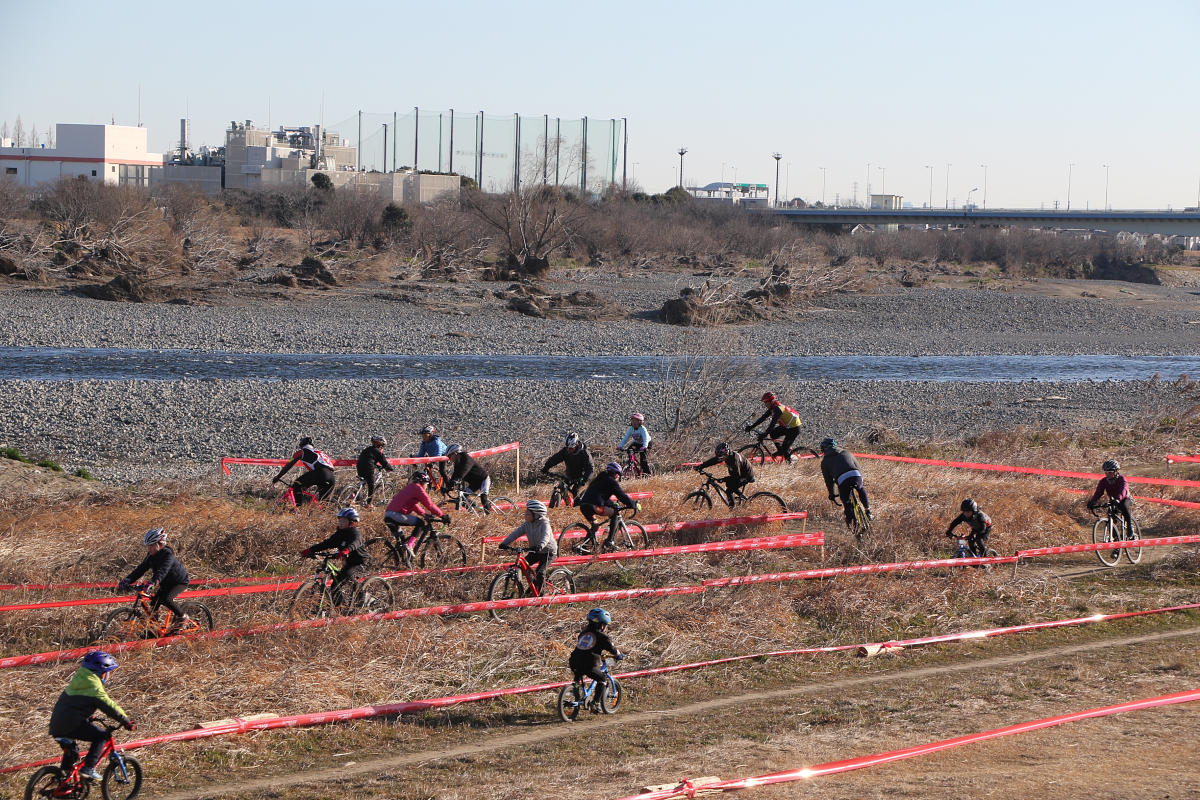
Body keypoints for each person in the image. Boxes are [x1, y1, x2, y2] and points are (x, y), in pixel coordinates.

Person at [48, 651, 134, 782]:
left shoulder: (78, 680)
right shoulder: (94, 687)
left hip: (56, 725)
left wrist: (87, 718)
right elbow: (109, 706)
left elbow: (74, 706)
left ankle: (63, 780)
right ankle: (88, 768)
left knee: (72, 752)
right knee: (102, 736)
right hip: (72, 724)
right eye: (109, 672)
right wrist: (126, 720)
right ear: (103, 673)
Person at [118, 527, 191, 632]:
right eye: (148, 546)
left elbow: (162, 571)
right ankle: (155, 631)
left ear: (160, 544)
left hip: (179, 582)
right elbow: (140, 569)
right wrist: (128, 579)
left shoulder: (168, 555)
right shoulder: (151, 556)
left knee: (167, 599)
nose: (149, 549)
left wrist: (153, 582)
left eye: (152, 546)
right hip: (165, 582)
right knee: (154, 603)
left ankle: (183, 616)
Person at [299, 508, 371, 605]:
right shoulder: (339, 534)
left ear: (351, 522)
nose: (340, 523)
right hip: (350, 563)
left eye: (344, 521)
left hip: (362, 562)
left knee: (349, 574)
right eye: (340, 520)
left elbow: (355, 543)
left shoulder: (355, 532)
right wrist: (311, 550)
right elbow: (327, 543)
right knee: (335, 585)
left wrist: (346, 550)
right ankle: (340, 609)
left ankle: (364, 595)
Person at [568, 608, 625, 712]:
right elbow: (612, 649)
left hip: (574, 661)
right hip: (589, 664)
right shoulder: (603, 637)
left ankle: (573, 690)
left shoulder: (583, 633)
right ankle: (595, 703)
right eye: (605, 625)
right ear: (602, 625)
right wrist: (619, 655)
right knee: (602, 679)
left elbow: (588, 647)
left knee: (578, 675)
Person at [575, 461, 640, 553]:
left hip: (584, 505)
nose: (618, 476)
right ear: (614, 473)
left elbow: (600, 496)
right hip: (595, 506)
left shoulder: (599, 477)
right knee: (615, 514)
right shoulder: (611, 481)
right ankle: (610, 541)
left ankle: (584, 547)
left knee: (595, 525)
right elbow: (621, 495)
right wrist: (633, 504)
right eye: (618, 474)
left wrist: (612, 504)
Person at [383, 472, 450, 558]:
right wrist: (442, 515)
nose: (426, 486)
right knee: (421, 523)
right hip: (396, 515)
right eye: (426, 484)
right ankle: (410, 545)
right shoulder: (419, 489)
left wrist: (423, 513)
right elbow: (430, 505)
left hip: (389, 514)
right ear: (423, 483)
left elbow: (412, 504)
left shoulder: (410, 487)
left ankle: (401, 563)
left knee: (402, 542)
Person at [497, 499, 557, 592]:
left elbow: (546, 536)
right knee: (521, 567)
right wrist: (504, 543)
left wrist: (540, 545)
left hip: (547, 552)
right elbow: (516, 533)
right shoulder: (527, 524)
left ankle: (540, 596)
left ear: (536, 515)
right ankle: (531, 587)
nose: (525, 515)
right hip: (535, 551)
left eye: (528, 514)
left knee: (540, 572)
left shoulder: (544, 524)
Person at [819, 438, 872, 526]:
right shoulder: (846, 452)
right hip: (856, 474)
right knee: (860, 488)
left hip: (843, 479)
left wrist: (832, 494)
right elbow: (857, 466)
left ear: (824, 449)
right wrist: (860, 480)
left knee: (847, 503)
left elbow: (828, 481)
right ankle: (868, 510)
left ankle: (852, 522)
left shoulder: (825, 461)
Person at [272, 436, 336, 502]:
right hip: (331, 477)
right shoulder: (320, 452)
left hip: (320, 473)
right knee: (322, 501)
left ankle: (298, 509)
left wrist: (278, 477)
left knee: (297, 484)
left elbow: (288, 465)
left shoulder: (301, 452)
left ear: (301, 445)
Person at [746, 392, 802, 462]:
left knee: (785, 448)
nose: (765, 404)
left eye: (766, 402)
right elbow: (763, 418)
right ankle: (781, 451)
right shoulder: (773, 407)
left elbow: (773, 423)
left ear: (771, 401)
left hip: (794, 427)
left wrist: (765, 434)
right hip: (788, 426)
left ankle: (790, 462)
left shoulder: (777, 409)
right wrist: (751, 426)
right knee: (773, 433)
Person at [1087, 459, 1136, 535]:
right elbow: (1099, 492)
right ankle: (1114, 536)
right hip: (1113, 500)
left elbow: (1123, 490)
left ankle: (1130, 526)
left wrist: (1118, 499)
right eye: (1106, 472)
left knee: (1124, 507)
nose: (1107, 474)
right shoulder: (1103, 481)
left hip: (1125, 498)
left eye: (1110, 472)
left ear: (1116, 471)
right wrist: (1093, 501)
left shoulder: (1121, 479)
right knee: (1111, 514)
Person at [541, 432, 595, 499]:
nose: (568, 450)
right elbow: (555, 459)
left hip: (581, 477)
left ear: (576, 445)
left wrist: (585, 479)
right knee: (561, 486)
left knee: (575, 491)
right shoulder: (565, 451)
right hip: (569, 475)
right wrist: (546, 467)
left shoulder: (585, 454)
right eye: (567, 448)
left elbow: (591, 468)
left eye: (571, 448)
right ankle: (561, 500)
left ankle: (577, 506)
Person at [444, 443, 496, 512]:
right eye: (448, 457)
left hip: (483, 479)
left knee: (483, 498)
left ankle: (489, 516)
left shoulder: (466, 459)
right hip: (475, 483)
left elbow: (464, 471)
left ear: (455, 453)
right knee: (462, 499)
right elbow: (455, 475)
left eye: (450, 456)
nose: (450, 459)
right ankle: (474, 511)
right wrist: (448, 487)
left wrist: (457, 480)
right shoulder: (457, 463)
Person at [355, 434, 394, 503]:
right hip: (368, 468)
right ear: (380, 445)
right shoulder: (377, 451)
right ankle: (369, 504)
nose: (382, 448)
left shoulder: (368, 449)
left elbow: (369, 459)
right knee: (371, 485)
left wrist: (376, 465)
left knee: (363, 481)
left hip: (359, 466)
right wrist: (390, 468)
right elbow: (384, 461)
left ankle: (354, 494)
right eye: (383, 446)